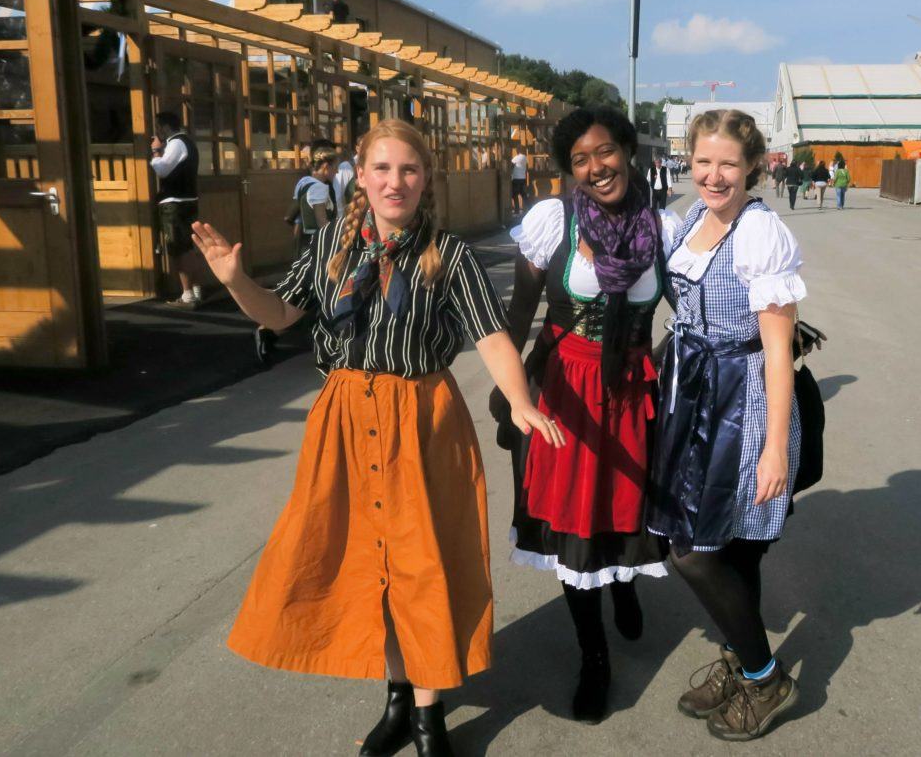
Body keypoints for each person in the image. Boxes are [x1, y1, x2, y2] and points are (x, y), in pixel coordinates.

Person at [199, 119, 563, 757]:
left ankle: (428, 717)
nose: (396, 181)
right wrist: (234, 280)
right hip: (344, 421)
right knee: (369, 566)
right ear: (361, 177)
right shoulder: (328, 249)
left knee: (422, 567)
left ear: (427, 179)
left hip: (422, 423)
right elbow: (280, 314)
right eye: (384, 169)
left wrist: (522, 401)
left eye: (410, 170)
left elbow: (490, 334)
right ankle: (398, 698)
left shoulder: (449, 255)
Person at [498, 106, 679, 723]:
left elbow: (695, 313)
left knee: (624, 511)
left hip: (631, 389)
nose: (595, 167)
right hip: (567, 393)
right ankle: (594, 655)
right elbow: (521, 308)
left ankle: (624, 581)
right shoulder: (555, 221)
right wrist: (509, 388)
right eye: (580, 159)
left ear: (627, 151)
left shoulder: (664, 227)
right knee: (575, 524)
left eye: (604, 152)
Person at [647, 108, 806, 742]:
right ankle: (741, 659)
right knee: (731, 549)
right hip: (693, 396)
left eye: (728, 165)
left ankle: (767, 678)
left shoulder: (759, 233)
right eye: (703, 162)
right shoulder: (693, 218)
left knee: (693, 551)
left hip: (742, 407)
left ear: (753, 168)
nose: (713, 176)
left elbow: (776, 352)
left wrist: (773, 451)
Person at [253, 145, 340, 365]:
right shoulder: (320, 188)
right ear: (326, 166)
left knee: (306, 295)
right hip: (318, 244)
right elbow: (322, 221)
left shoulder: (303, 183)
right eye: (335, 168)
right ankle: (269, 330)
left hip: (303, 240)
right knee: (316, 296)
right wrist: (339, 238)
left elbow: (296, 216)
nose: (336, 173)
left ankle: (271, 331)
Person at [150, 111, 204, 309]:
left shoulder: (176, 143)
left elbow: (163, 169)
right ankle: (196, 291)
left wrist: (156, 152)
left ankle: (188, 295)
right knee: (189, 247)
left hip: (175, 202)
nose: (156, 132)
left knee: (179, 249)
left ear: (164, 127)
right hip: (188, 200)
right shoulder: (187, 142)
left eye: (158, 127)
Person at [510, 148, 529, 215]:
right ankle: (528, 210)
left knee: (514, 195)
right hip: (523, 179)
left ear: (517, 151)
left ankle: (517, 211)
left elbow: (511, 165)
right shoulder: (525, 158)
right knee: (524, 195)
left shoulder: (516, 158)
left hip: (516, 179)